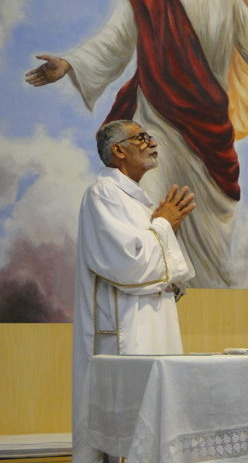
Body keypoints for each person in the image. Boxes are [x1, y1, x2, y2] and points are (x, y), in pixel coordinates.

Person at [25, 0, 248, 288]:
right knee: (151, 209)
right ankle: (153, 298)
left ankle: (207, 312)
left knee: (209, 246)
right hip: (156, 122)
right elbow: (112, 42)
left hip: (209, 133)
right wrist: (69, 64)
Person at [72, 120, 196, 436]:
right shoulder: (103, 194)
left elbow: (164, 270)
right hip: (128, 330)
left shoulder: (140, 201)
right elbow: (127, 264)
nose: (152, 142)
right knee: (128, 429)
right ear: (118, 150)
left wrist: (167, 228)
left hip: (157, 322)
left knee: (160, 420)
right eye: (142, 137)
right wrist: (164, 226)